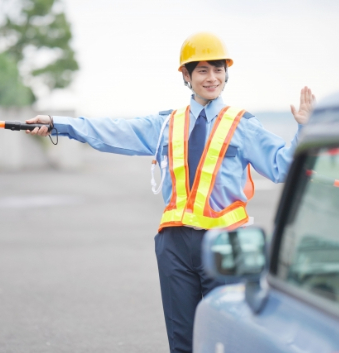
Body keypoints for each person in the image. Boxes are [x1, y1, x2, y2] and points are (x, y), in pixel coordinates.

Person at [26, 32, 315, 353]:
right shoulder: (166, 124)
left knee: (231, 342)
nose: (212, 77)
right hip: (175, 246)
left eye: (218, 69)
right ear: (186, 77)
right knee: (182, 344)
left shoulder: (242, 125)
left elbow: (281, 167)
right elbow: (111, 131)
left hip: (226, 244)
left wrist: (304, 129)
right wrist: (57, 123)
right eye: (202, 70)